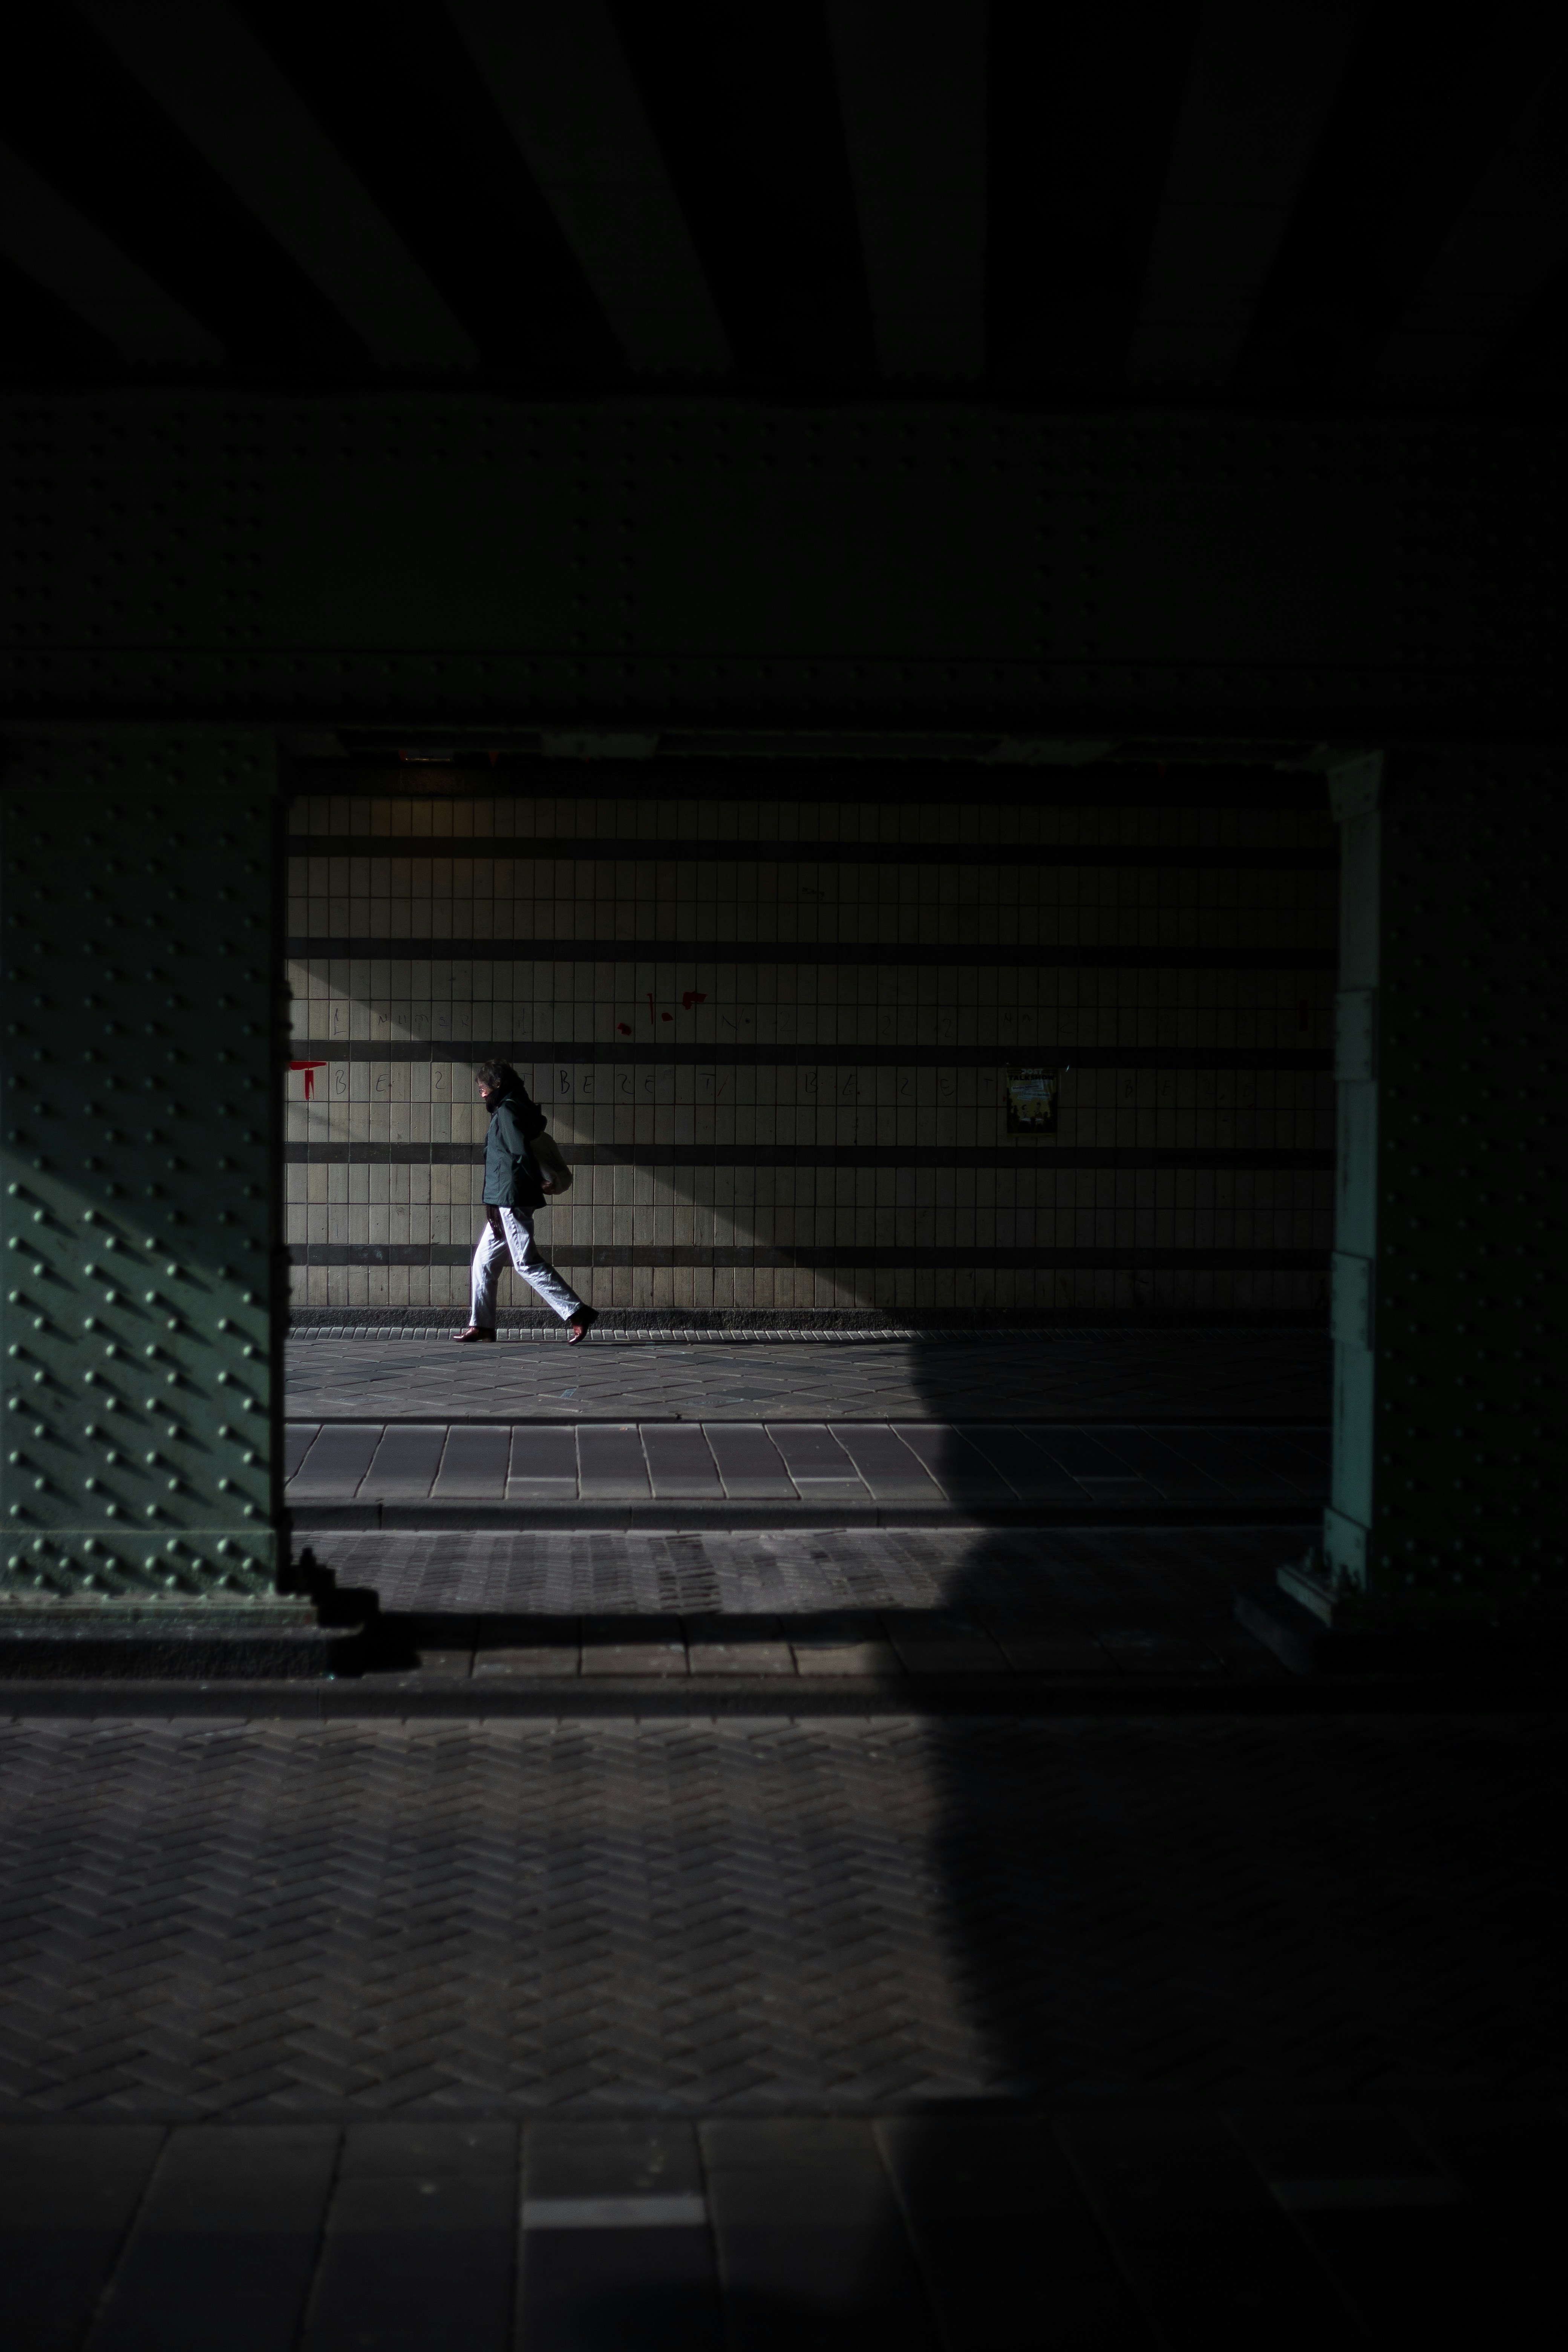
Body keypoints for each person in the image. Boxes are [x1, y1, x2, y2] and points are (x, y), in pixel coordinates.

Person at [453, 1060, 596, 1344]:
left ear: (497, 1086)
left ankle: (577, 1313)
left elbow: (519, 1153)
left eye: (483, 1088)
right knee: (483, 1263)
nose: (481, 1094)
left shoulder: (508, 1110)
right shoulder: (515, 1106)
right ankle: (481, 1325)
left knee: (525, 1263)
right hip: (504, 1199)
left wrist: (535, 1180)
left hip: (512, 1198)